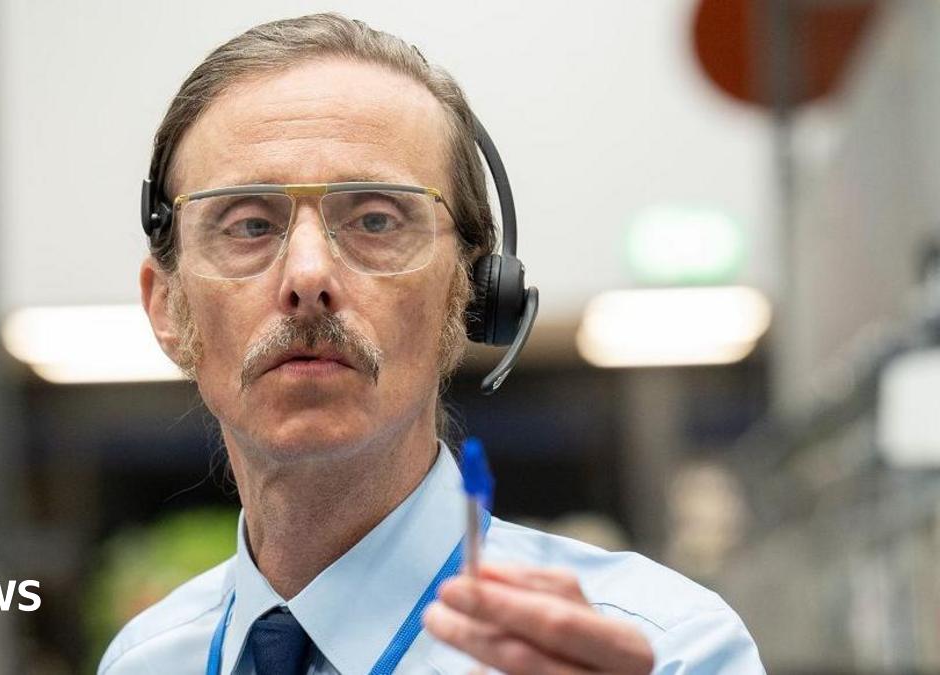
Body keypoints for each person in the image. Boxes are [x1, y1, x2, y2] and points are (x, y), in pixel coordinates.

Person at [99, 12, 764, 675]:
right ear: (166, 307)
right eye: (248, 224)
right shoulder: (141, 661)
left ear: (469, 291)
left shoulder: (670, 650)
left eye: (377, 219)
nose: (307, 275)